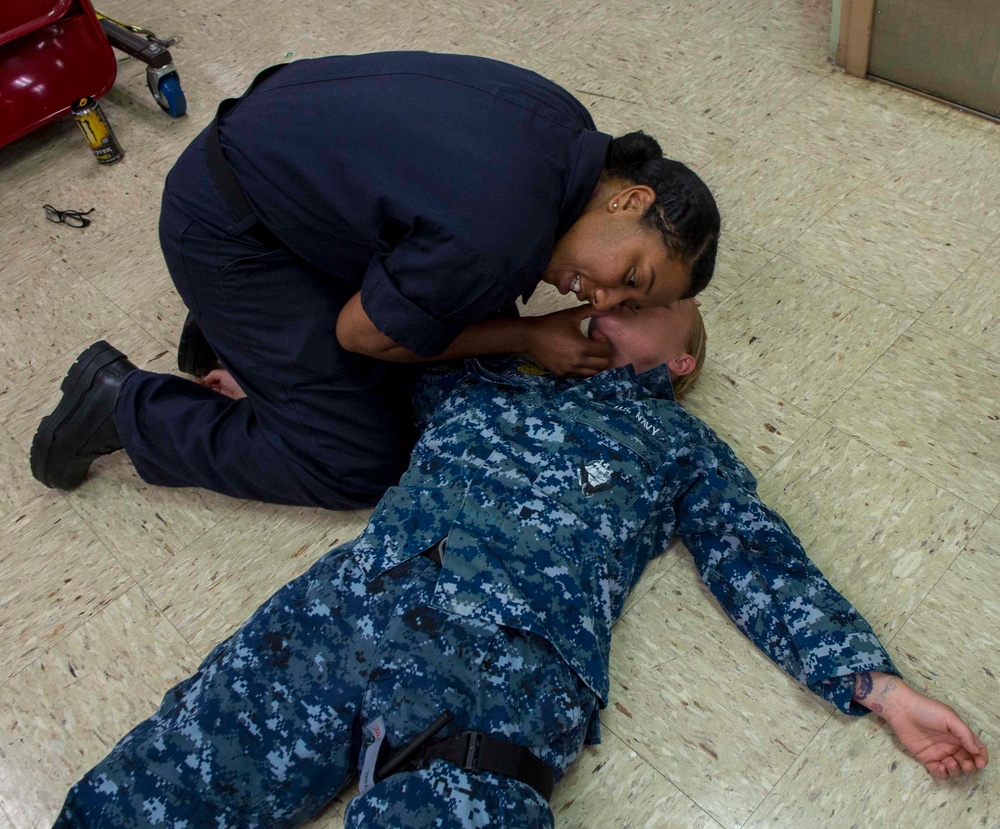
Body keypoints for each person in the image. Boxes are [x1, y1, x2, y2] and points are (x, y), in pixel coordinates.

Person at [51, 301, 987, 829]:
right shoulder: (474, 376)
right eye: (596, 300)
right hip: (351, 609)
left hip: (499, 683)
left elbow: (757, 554)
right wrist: (247, 380)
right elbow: (358, 373)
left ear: (685, 360)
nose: (603, 311)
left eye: (638, 309)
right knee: (150, 796)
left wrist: (876, 685)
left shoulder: (675, 444)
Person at [29, 50, 721, 511]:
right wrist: (526, 335)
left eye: (630, 302)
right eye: (629, 274)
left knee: (460, 305)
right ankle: (123, 406)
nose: (601, 297)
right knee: (357, 458)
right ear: (630, 200)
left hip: (264, 158)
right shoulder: (498, 237)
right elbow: (360, 335)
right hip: (222, 228)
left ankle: (236, 330)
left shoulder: (566, 124)